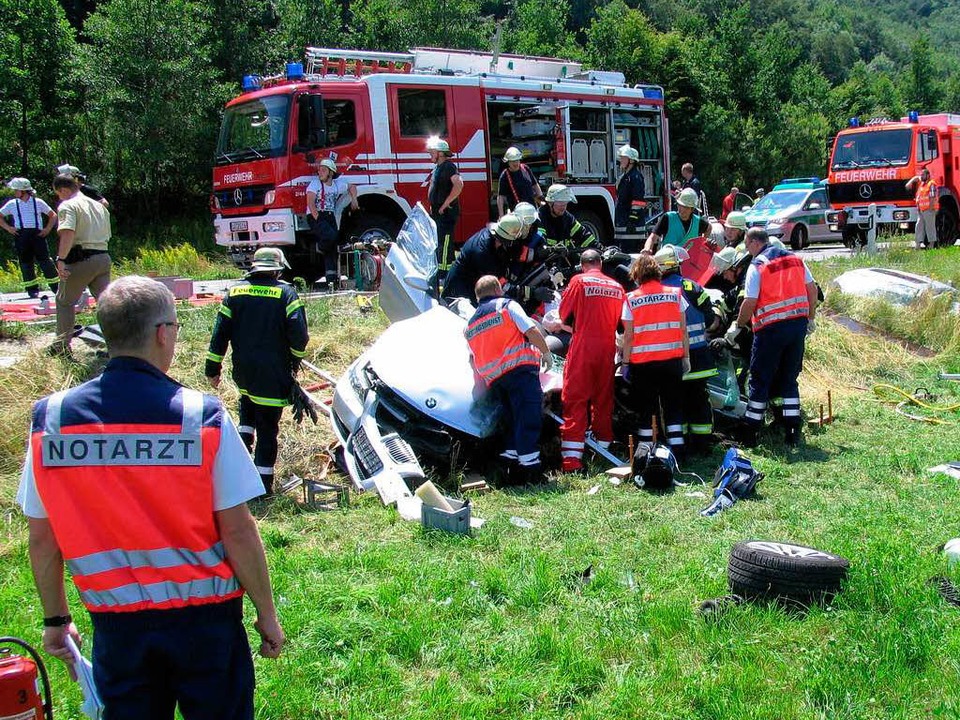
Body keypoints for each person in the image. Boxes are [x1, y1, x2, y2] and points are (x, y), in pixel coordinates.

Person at [16, 275, 284, 720]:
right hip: (207, 626)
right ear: (163, 333)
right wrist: (266, 614)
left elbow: (43, 539)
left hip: (117, 627)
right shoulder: (202, 416)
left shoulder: (53, 420)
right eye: (176, 327)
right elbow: (237, 529)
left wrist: (56, 621)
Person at [206, 247, 309, 494]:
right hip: (272, 374)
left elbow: (220, 333)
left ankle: (241, 455)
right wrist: (295, 361)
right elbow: (299, 336)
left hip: (243, 371)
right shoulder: (286, 294)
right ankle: (262, 487)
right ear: (277, 269)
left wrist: (212, 368)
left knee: (247, 402)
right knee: (268, 430)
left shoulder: (236, 292)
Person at [464, 275, 552, 485]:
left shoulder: (471, 324)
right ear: (498, 290)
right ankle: (531, 470)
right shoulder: (506, 305)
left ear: (478, 297)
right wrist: (546, 352)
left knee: (512, 422)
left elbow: (472, 358)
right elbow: (529, 329)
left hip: (495, 380)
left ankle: (507, 467)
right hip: (520, 371)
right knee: (528, 418)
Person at [735, 228, 818, 446]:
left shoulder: (758, 265)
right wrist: (810, 317)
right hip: (797, 327)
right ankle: (792, 429)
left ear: (754, 243)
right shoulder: (796, 260)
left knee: (760, 378)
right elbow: (812, 290)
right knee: (789, 378)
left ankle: (751, 431)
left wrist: (738, 324)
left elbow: (750, 301)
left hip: (770, 329)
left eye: (746, 244)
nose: (746, 249)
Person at [557, 249, 625, 472]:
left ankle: (571, 459)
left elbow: (564, 315)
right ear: (601, 264)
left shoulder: (578, 281)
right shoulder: (616, 286)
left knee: (575, 397)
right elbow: (622, 325)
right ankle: (602, 445)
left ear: (582, 264)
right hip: (607, 348)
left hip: (583, 345)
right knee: (603, 398)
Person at [622, 254, 690, 455]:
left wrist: (625, 363)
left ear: (636, 275)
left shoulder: (631, 299)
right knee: (673, 405)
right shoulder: (675, 294)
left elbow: (628, 336)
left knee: (647, 408)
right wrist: (686, 357)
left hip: (643, 365)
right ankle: (677, 449)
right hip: (672, 361)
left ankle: (646, 451)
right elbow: (683, 329)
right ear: (657, 272)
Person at [655, 245, 718, 452]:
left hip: (673, 357)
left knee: (675, 402)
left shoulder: (659, 292)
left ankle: (679, 445)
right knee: (699, 399)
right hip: (699, 354)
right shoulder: (692, 287)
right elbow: (709, 316)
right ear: (677, 266)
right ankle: (702, 444)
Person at [50, 173, 112, 355]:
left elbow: (68, 233)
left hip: (80, 259)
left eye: (58, 194)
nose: (58, 198)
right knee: (107, 304)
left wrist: (61, 259)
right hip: (103, 257)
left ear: (63, 190)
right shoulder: (100, 206)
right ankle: (119, 346)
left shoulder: (68, 205)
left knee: (64, 301)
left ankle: (61, 347)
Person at [441, 214, 549, 305]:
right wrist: (532, 293)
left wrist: (541, 253)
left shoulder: (498, 236)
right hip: (460, 292)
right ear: (508, 241)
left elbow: (517, 251)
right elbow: (501, 286)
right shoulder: (483, 254)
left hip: (473, 285)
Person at [0, 178, 58, 298]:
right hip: (21, 236)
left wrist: (47, 229)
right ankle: (32, 289)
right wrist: (8, 228)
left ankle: (56, 287)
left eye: (16, 190)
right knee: (26, 263)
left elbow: (53, 215)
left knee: (46, 262)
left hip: (37, 236)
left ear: (23, 191)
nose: (15, 192)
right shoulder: (12, 204)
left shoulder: (38, 202)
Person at [306, 157, 358, 288]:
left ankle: (331, 279)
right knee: (331, 237)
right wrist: (318, 219)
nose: (320, 172)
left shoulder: (337, 184)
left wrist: (354, 200)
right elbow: (310, 203)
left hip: (330, 216)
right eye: (319, 170)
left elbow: (352, 186)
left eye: (323, 170)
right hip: (316, 215)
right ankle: (320, 246)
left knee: (332, 248)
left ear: (331, 172)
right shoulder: (315, 184)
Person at [426, 136, 463, 278]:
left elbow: (459, 184)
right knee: (440, 241)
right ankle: (441, 270)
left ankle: (445, 272)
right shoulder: (438, 168)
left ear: (440, 153)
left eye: (432, 152)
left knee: (446, 243)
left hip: (446, 213)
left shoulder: (449, 166)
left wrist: (445, 204)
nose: (430, 154)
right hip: (438, 212)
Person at [643, 187, 711, 254]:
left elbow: (709, 228)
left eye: (686, 207)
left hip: (689, 262)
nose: (682, 209)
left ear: (692, 209)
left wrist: (702, 244)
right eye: (680, 205)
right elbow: (652, 238)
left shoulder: (698, 222)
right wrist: (647, 248)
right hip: (668, 261)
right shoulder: (668, 218)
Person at [538, 184, 599, 252]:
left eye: (565, 204)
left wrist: (600, 249)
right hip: (547, 259)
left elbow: (582, 235)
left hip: (564, 257)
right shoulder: (540, 217)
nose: (563, 208)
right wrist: (551, 249)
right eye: (560, 205)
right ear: (550, 203)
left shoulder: (567, 218)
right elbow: (540, 241)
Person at [614, 145, 646, 252]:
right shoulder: (625, 176)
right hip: (624, 225)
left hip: (632, 228)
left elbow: (638, 201)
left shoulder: (635, 177)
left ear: (631, 160)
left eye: (624, 158)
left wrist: (632, 220)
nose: (621, 160)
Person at [497, 147, 542, 217]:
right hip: (516, 213)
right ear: (508, 162)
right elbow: (501, 197)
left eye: (517, 160)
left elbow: (535, 185)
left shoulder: (526, 169)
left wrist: (541, 200)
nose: (515, 163)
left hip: (532, 209)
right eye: (512, 161)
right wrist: (501, 215)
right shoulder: (505, 175)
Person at [905, 167, 938, 249]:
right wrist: (910, 182)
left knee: (930, 227)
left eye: (923, 174)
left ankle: (931, 244)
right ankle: (918, 244)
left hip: (929, 210)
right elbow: (916, 178)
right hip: (921, 210)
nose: (921, 176)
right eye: (921, 174)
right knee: (919, 226)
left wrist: (931, 208)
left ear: (928, 175)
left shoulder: (931, 184)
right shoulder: (923, 184)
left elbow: (933, 197)